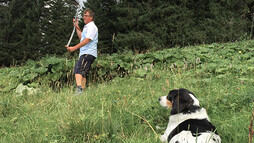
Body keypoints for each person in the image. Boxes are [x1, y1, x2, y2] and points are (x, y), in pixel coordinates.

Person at [65, 8, 98, 95]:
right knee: (83, 73)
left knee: (78, 70)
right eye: (83, 16)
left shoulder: (91, 26)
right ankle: (82, 92)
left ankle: (79, 89)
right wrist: (77, 27)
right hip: (88, 53)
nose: (84, 17)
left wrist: (74, 48)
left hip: (88, 53)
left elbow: (87, 40)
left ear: (91, 17)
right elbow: (82, 38)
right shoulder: (87, 27)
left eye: (86, 16)